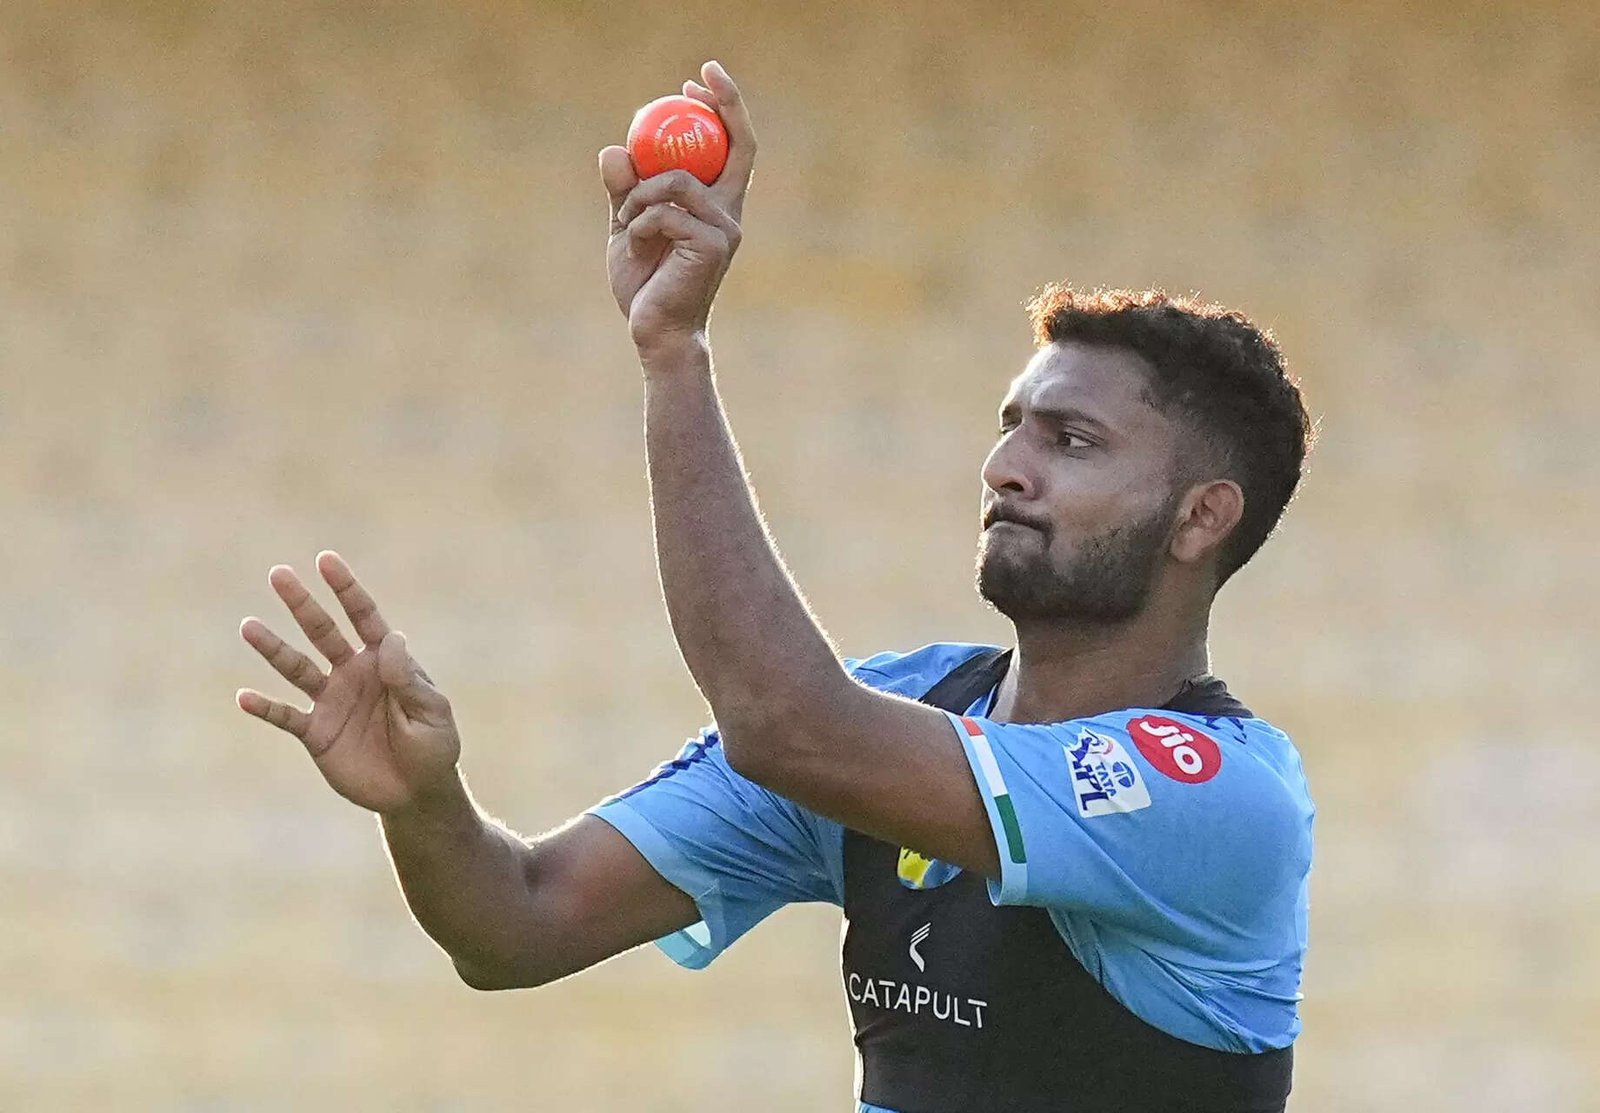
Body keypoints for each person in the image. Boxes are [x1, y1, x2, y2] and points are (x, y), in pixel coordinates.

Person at [237, 61, 1314, 1113]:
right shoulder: (907, 710)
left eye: (1070, 441)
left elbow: (784, 722)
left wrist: (674, 352)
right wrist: (427, 806)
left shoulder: (1215, 797)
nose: (1005, 467)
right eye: (1009, 430)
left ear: (1200, 516)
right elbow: (519, 921)